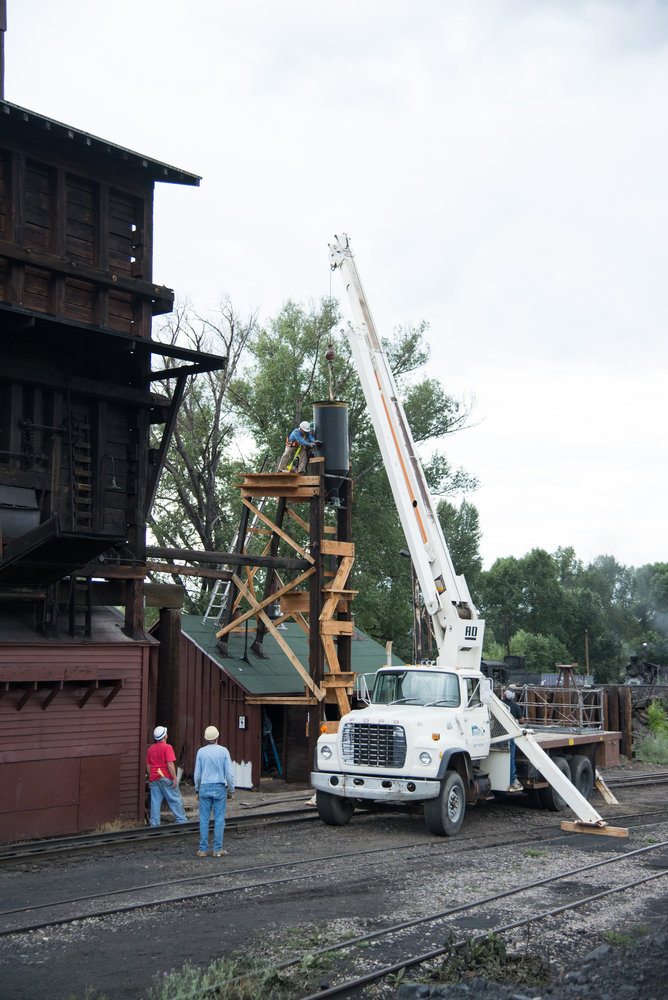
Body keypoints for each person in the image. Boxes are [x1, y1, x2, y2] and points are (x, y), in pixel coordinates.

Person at [194, 725, 235, 857]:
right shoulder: (224, 751)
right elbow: (229, 774)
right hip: (219, 787)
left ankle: (203, 849)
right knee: (219, 819)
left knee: (204, 820)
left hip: (204, 787)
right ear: (218, 737)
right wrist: (231, 790)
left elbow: (197, 775)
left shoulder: (201, 752)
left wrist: (197, 789)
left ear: (206, 738)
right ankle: (217, 849)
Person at [145, 725, 188, 826]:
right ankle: (182, 822)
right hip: (165, 777)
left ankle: (154, 825)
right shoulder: (168, 747)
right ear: (164, 736)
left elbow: (148, 764)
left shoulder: (151, 748)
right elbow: (170, 764)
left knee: (155, 802)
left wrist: (151, 777)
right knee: (175, 800)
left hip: (154, 778)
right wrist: (174, 778)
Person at [503, 687, 525, 792]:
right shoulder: (515, 706)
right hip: (510, 735)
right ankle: (512, 779)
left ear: (504, 694)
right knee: (510, 757)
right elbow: (521, 721)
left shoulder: (500, 704)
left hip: (500, 733)